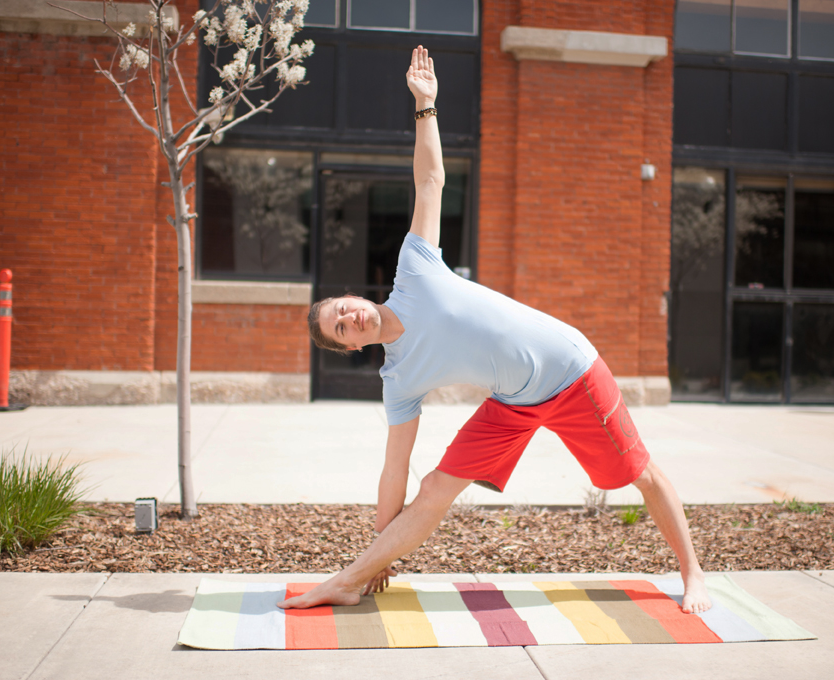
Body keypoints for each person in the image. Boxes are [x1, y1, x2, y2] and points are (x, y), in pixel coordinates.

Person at [281, 46, 711, 614]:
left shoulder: (413, 268)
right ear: (352, 347)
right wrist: (379, 554)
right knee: (434, 487)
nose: (351, 316)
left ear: (356, 296)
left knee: (639, 475)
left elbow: (430, 179)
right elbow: (394, 472)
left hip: (571, 370)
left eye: (344, 306)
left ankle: (694, 574)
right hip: (513, 401)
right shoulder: (399, 378)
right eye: (342, 328)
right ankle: (348, 580)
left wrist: (425, 107)